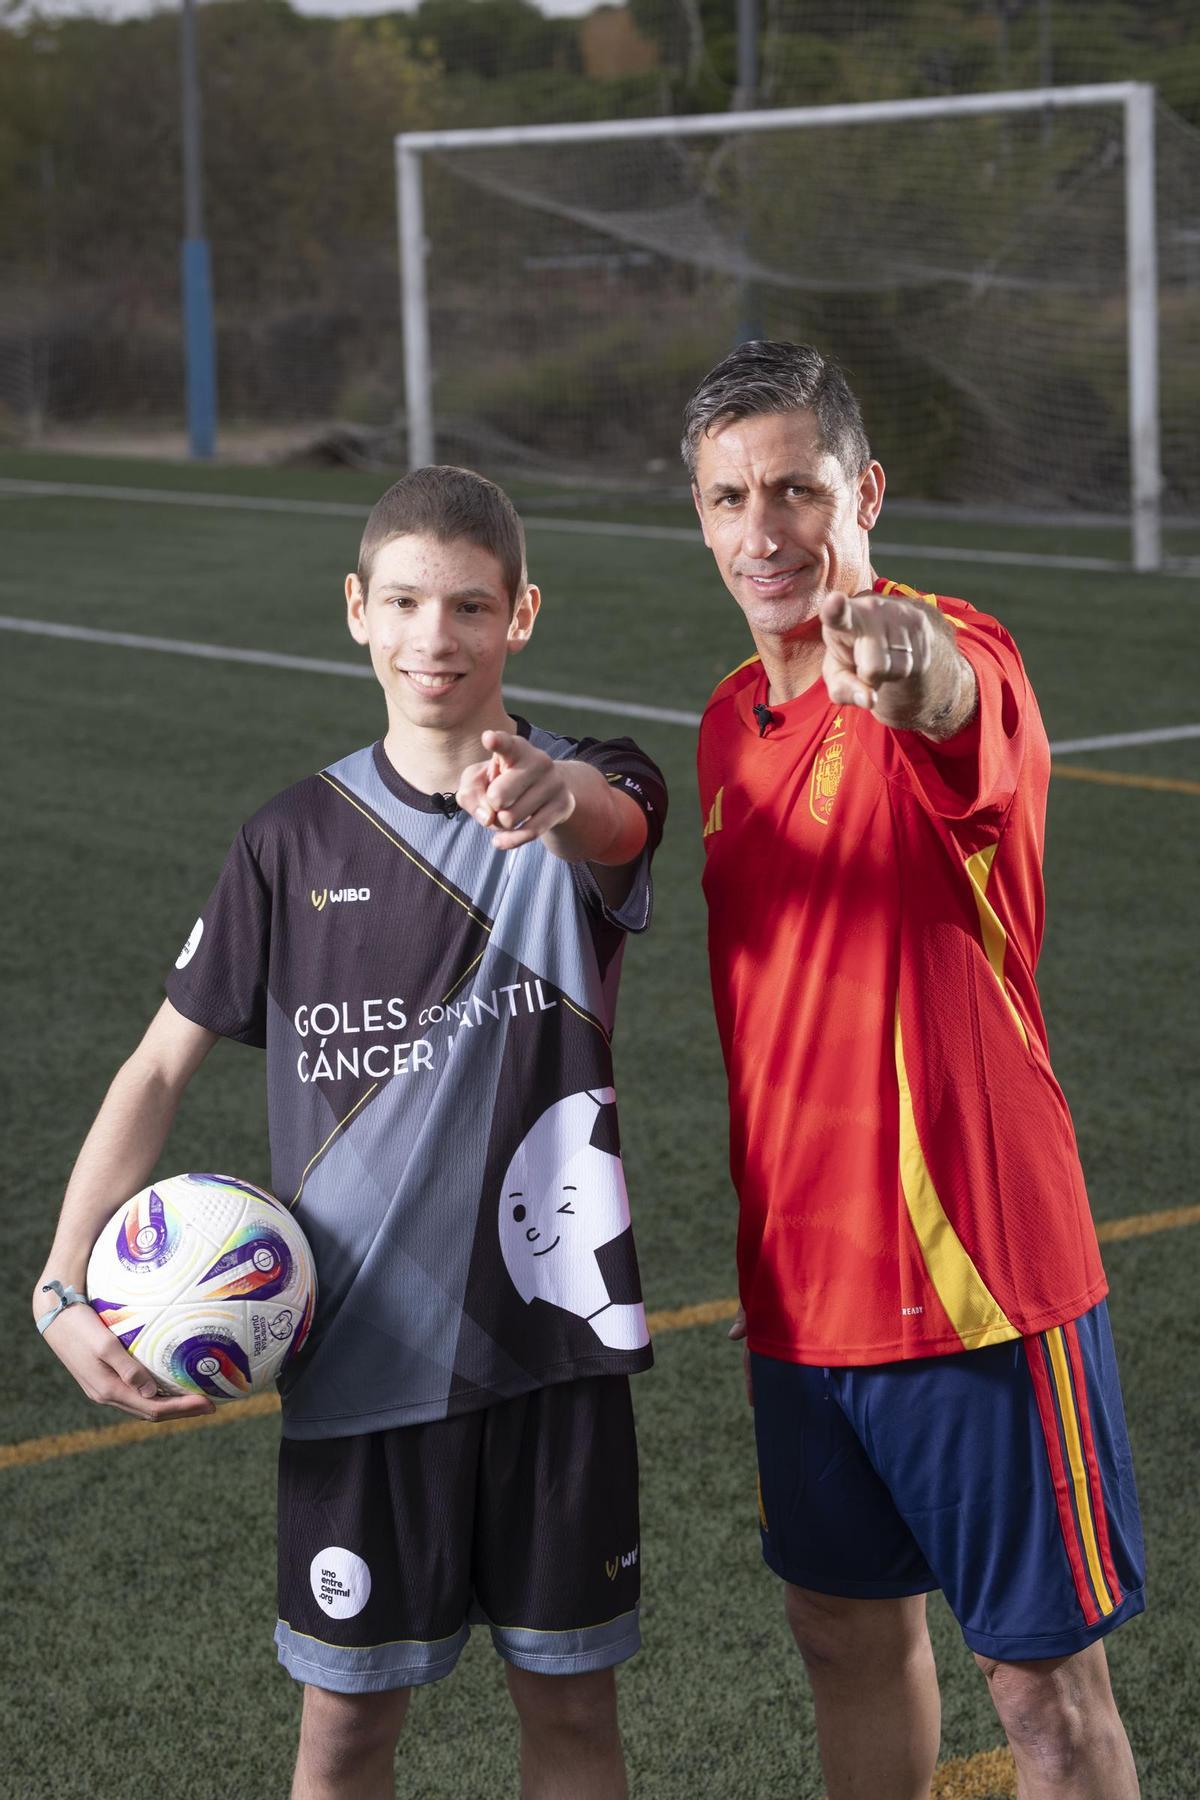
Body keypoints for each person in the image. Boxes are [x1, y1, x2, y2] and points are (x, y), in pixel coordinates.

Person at [31, 466, 666, 1800]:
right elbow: (157, 1067)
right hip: (359, 1364)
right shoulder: (287, 839)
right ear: (357, 614)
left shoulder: (586, 792)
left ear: (522, 617)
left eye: (473, 606)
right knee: (345, 1733)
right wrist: (57, 1283)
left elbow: (616, 818)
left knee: (573, 1715)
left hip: (555, 1352)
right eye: (408, 602)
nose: (438, 636)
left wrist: (554, 796)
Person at [685, 340, 1144, 1800]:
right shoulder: (722, 727)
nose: (766, 534)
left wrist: (909, 667)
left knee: (1043, 1697)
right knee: (839, 1635)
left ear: (864, 491)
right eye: (728, 500)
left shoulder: (948, 653)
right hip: (798, 1298)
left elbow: (949, 699)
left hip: (976, 1290)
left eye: (798, 491)